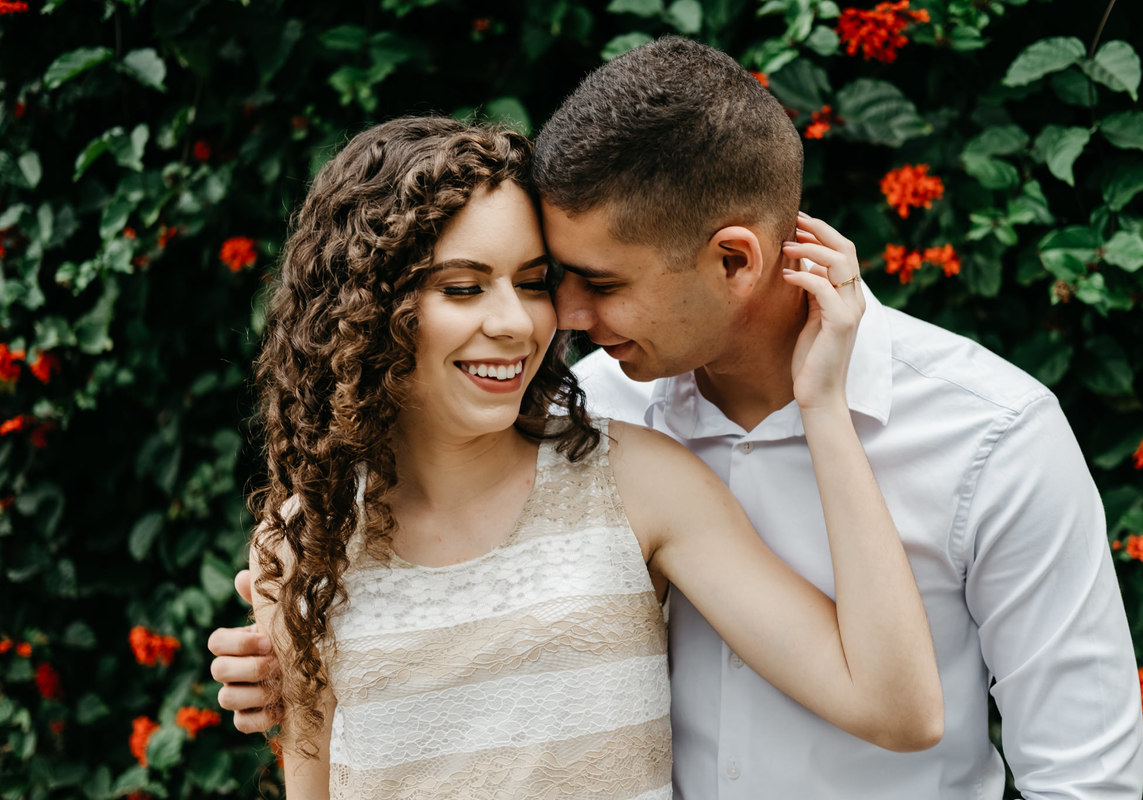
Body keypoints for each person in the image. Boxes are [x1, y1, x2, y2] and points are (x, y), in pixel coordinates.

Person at [212, 38, 1143, 798]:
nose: (557, 322)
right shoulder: (594, 412)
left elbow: (1079, 777)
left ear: (735, 261)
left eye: (588, 286)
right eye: (551, 280)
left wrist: (825, 409)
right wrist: (300, 666)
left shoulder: (994, 436)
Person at [241, 114, 941, 800]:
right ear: (361, 308)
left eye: (535, 281)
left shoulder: (636, 483)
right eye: (463, 287)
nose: (517, 323)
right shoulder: (305, 540)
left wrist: (822, 406)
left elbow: (898, 711)